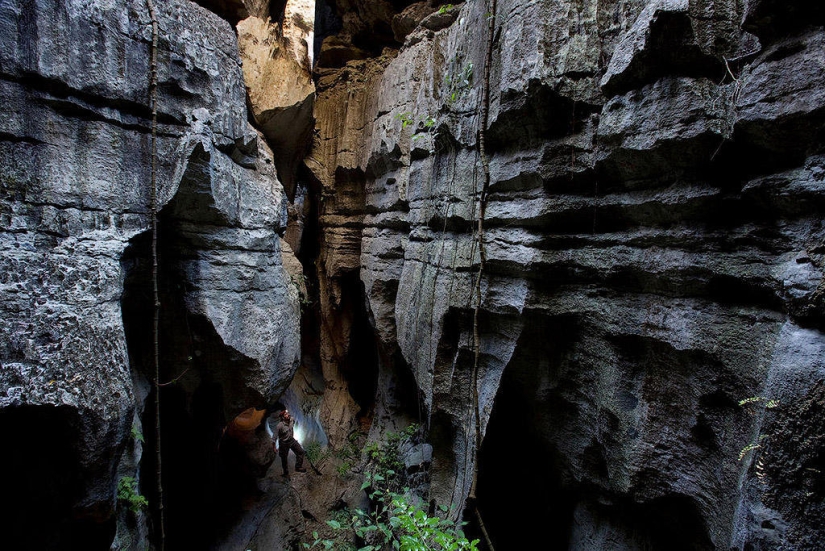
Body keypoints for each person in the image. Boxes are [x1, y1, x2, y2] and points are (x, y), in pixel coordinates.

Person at [273, 409, 306, 476]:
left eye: (287, 413)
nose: (288, 415)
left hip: (291, 440)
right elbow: (274, 437)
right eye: (285, 414)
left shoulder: (292, 419)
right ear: (282, 417)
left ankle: (298, 467)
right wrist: (274, 447)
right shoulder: (279, 426)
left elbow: (292, 427)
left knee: (301, 452)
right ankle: (286, 473)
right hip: (283, 443)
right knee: (284, 458)